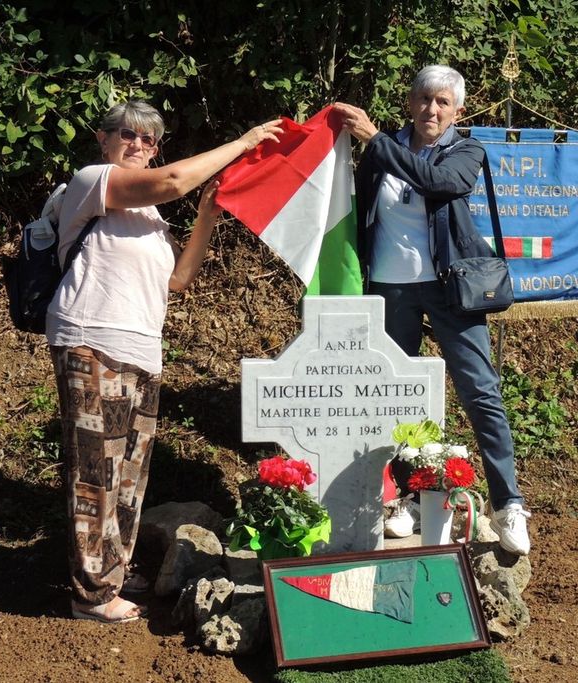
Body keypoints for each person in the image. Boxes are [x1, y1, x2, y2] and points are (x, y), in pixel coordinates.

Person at [47, 101, 283, 623]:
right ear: (103, 139)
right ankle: (91, 594)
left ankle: (113, 569)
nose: (137, 144)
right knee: (96, 471)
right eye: (126, 134)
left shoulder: (151, 219)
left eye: (148, 139)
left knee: (129, 473)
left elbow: (179, 279)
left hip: (141, 349)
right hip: (91, 340)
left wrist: (206, 217)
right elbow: (174, 181)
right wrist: (245, 143)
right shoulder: (92, 182)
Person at [333, 65, 531, 555]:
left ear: (457, 110)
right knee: (394, 398)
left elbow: (440, 182)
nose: (432, 109)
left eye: (443, 102)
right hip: (389, 288)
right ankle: (404, 498)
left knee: (480, 391)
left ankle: (508, 504)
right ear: (410, 102)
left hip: (449, 288)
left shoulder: (466, 150)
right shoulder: (382, 149)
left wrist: (376, 140)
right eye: (424, 99)